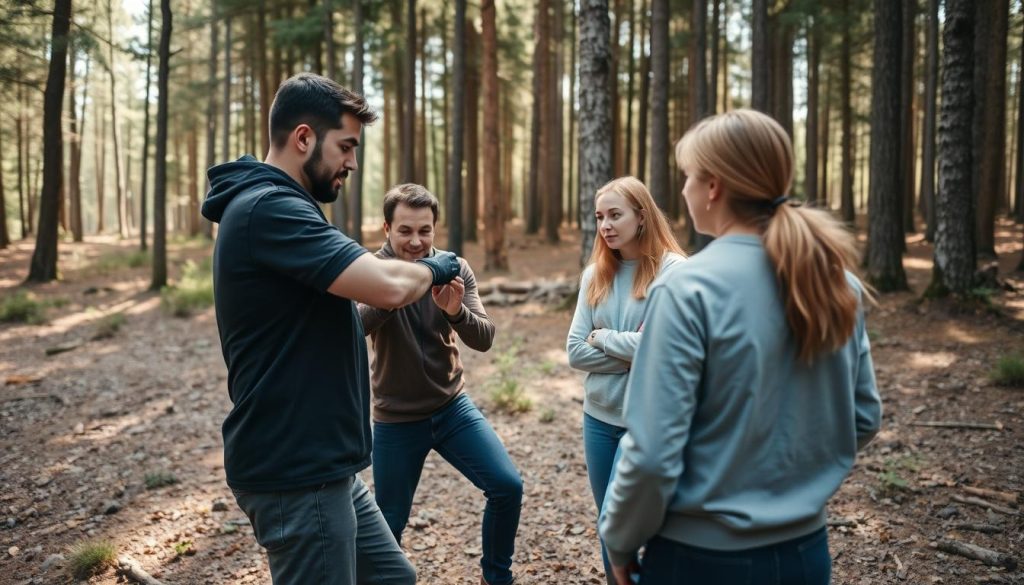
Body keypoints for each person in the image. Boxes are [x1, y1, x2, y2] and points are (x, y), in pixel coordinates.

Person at [599, 109, 883, 585]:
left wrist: (619, 539)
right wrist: (790, 486)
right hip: (806, 555)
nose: (685, 190)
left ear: (714, 187)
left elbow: (651, 453)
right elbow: (863, 417)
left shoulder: (688, 290)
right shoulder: (838, 283)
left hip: (699, 560)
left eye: (688, 176)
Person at [201, 74, 461, 585]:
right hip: (297, 469)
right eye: (346, 146)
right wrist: (438, 266)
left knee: (393, 579)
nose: (352, 162)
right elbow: (385, 285)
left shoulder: (282, 207)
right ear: (303, 138)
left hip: (323, 465)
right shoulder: (270, 209)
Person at [357, 183, 523, 585]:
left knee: (507, 487)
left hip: (452, 408)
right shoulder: (369, 270)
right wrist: (394, 291)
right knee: (389, 525)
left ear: (435, 229)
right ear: (387, 229)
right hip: (396, 419)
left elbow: (484, 338)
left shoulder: (454, 267)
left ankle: (496, 578)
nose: (416, 241)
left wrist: (454, 313)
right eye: (405, 231)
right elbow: (355, 326)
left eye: (425, 231)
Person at [566, 176, 686, 585]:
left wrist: (607, 339)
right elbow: (574, 351)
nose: (605, 226)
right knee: (609, 527)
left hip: (648, 421)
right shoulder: (595, 274)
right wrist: (637, 353)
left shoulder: (673, 270)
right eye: (600, 217)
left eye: (615, 215)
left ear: (641, 215)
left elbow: (669, 348)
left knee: (643, 525)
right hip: (598, 419)